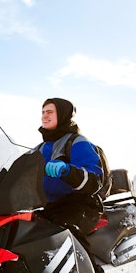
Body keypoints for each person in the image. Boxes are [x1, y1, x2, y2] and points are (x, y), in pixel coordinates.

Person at [37, 97, 104, 237]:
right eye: (43, 112)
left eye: (49, 112)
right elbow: (19, 171)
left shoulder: (77, 142)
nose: (44, 115)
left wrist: (67, 171)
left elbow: (94, 179)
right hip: (48, 207)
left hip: (78, 205)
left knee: (64, 237)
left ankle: (85, 258)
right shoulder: (39, 149)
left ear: (62, 115)